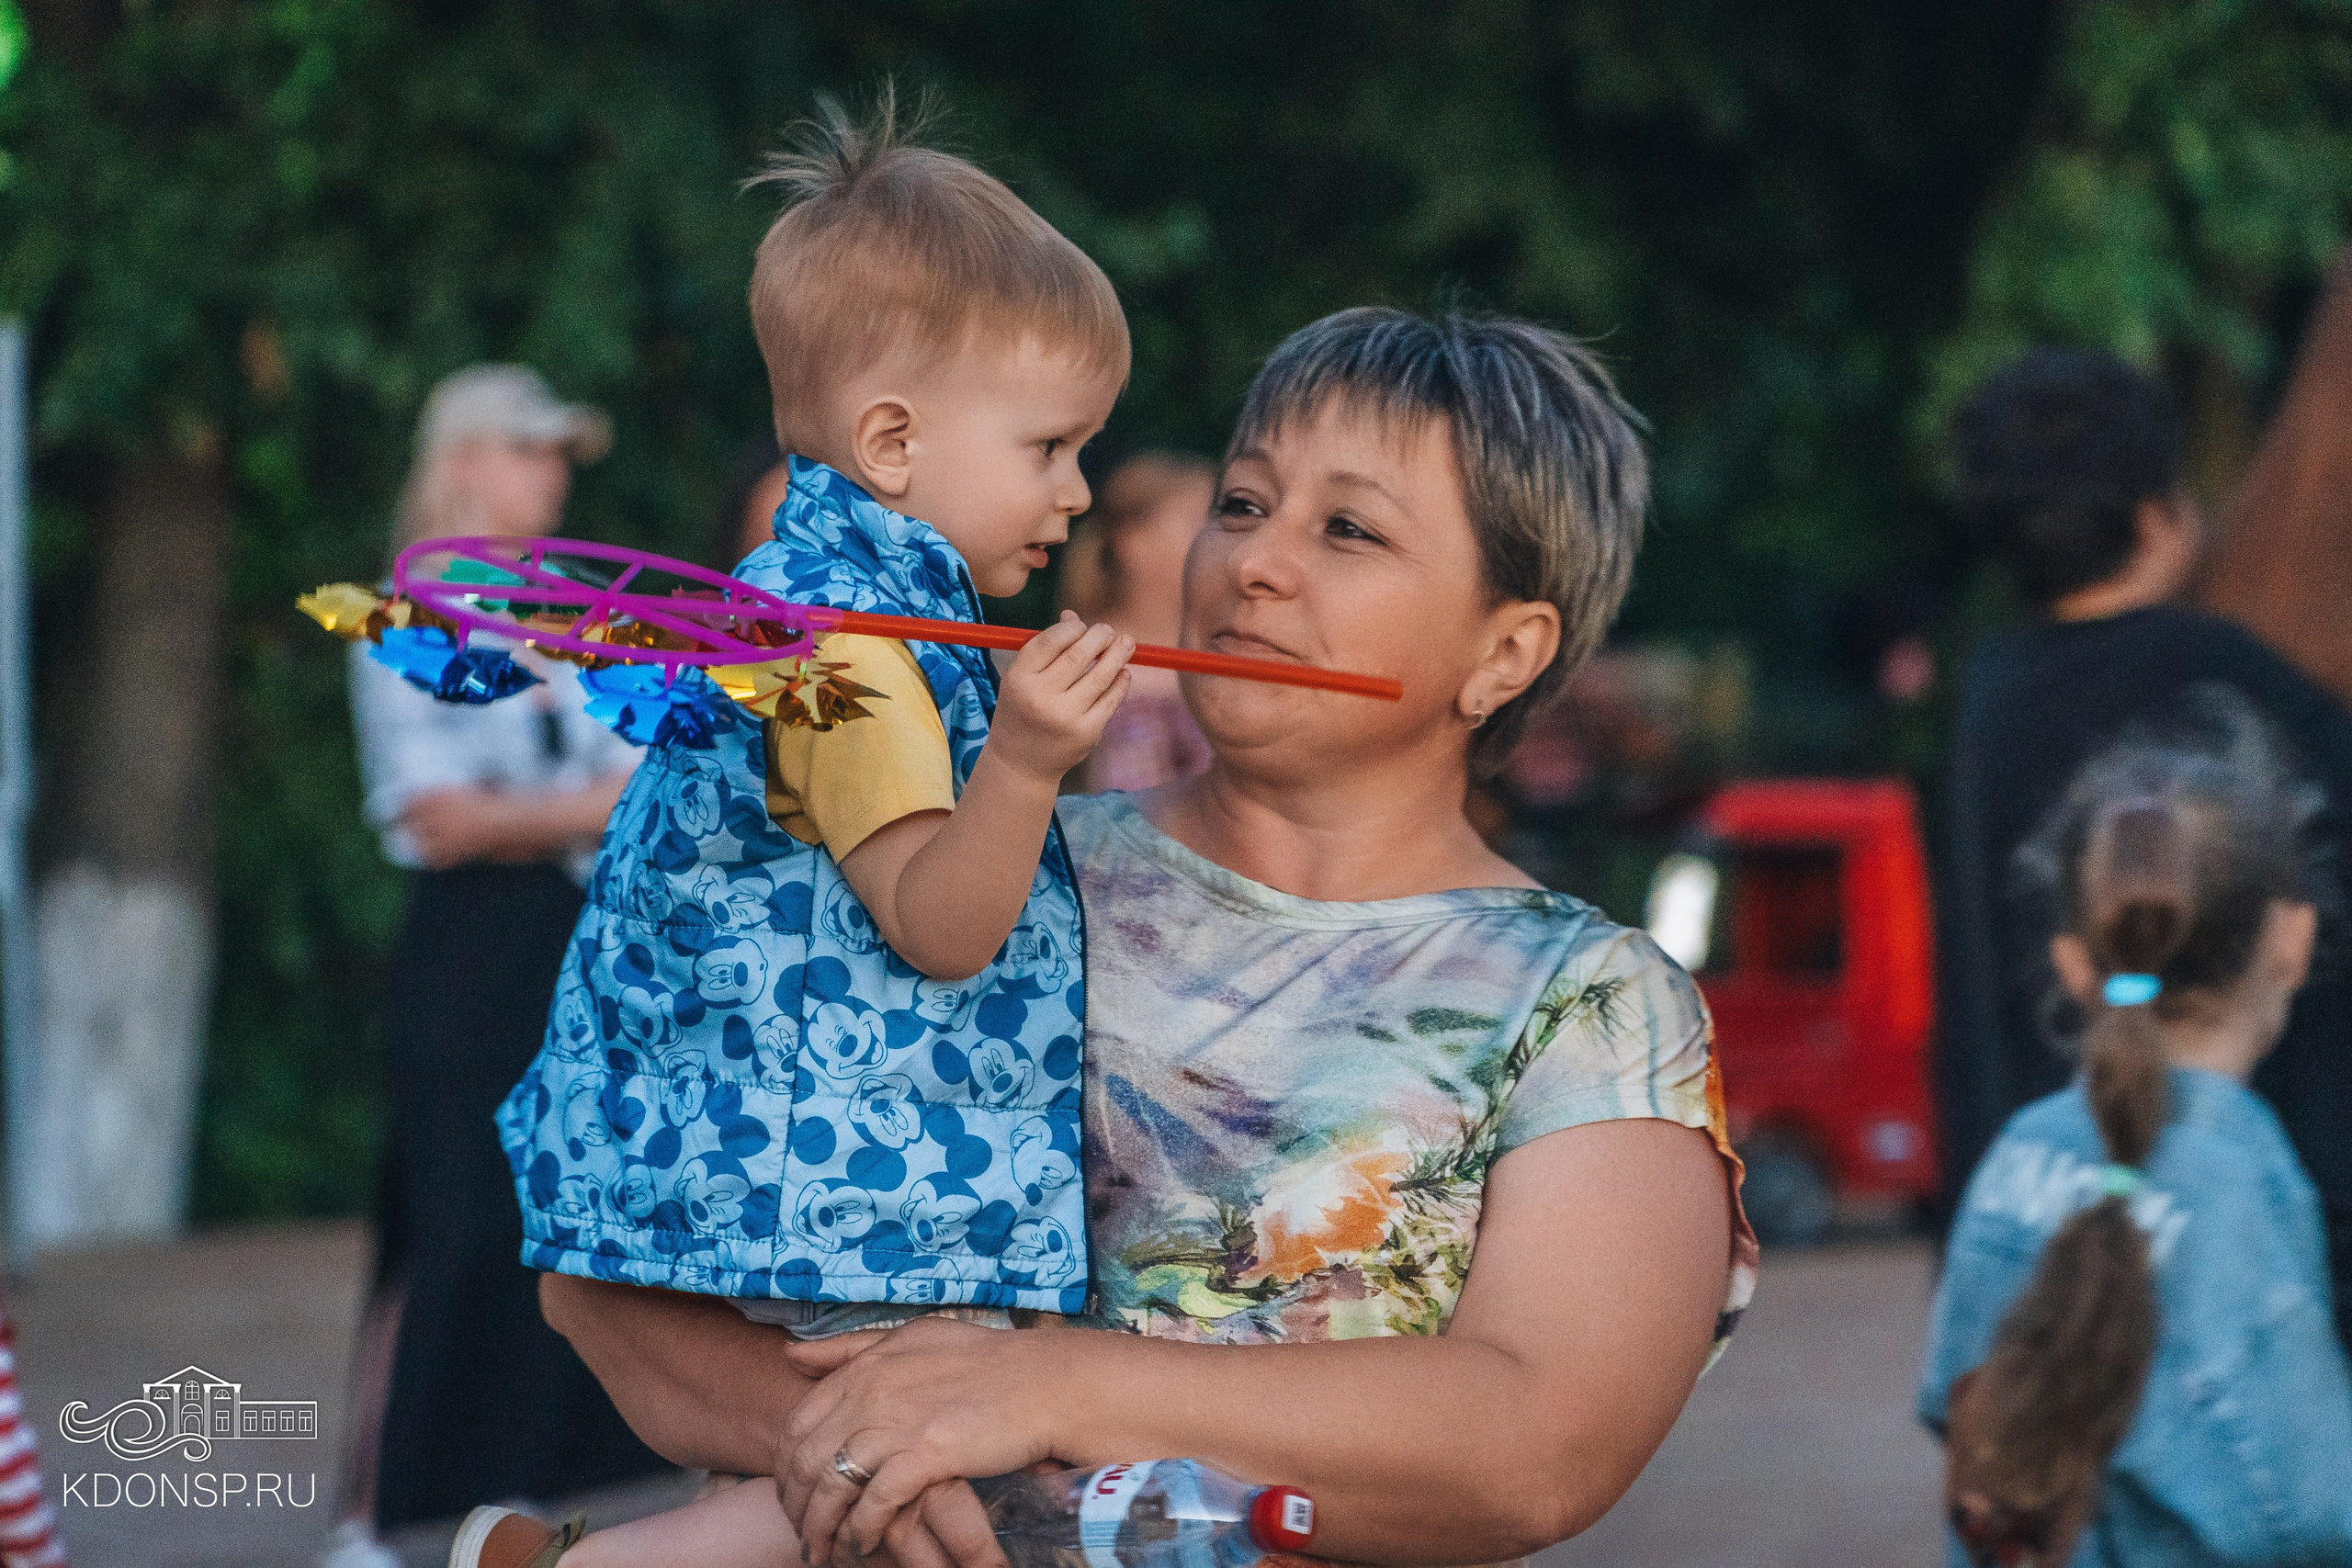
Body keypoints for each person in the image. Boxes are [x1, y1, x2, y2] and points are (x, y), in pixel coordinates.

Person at [482, 307, 1757, 1568]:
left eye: (1349, 528)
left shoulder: (1587, 999)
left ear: (1505, 651)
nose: (1253, 564)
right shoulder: (961, 875)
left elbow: (1539, 1439)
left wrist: (1041, 1390)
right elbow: (597, 1264)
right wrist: (869, 1439)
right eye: (1246, 503)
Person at [448, 98, 1137, 1568]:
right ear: (893, 441)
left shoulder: (855, 615)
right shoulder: (847, 655)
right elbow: (940, 924)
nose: (1076, 492)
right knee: (893, 1484)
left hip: (802, 1152)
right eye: (1051, 445)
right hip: (828, 1172)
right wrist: (1025, 760)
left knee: (838, 1490)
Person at [1933, 347, 2352, 1344]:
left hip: (2044, 1226)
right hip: (2254, 1231)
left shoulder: (1986, 701)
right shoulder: (2243, 684)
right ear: (2161, 516)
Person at [322, 366, 658, 1568]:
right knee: (444, 1227)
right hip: (468, 947)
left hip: (569, 944)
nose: (550, 474)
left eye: (557, 452)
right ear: (461, 458)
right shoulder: (400, 613)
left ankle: (512, 1502)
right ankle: (373, 1510)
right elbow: (436, 815)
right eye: (527, 449)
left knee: (552, 1220)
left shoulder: (572, 606)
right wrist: (595, 805)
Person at [1920, 694, 2352, 1565]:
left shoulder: (2019, 1154)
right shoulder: (2244, 1180)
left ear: (2074, 960)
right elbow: (2310, 1506)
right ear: (2295, 940)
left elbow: (1953, 1399)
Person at [1058, 452, 1216, 792]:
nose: (1218, 541)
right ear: (1132, 540)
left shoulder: (1227, 653)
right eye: (1197, 522)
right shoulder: (1076, 657)